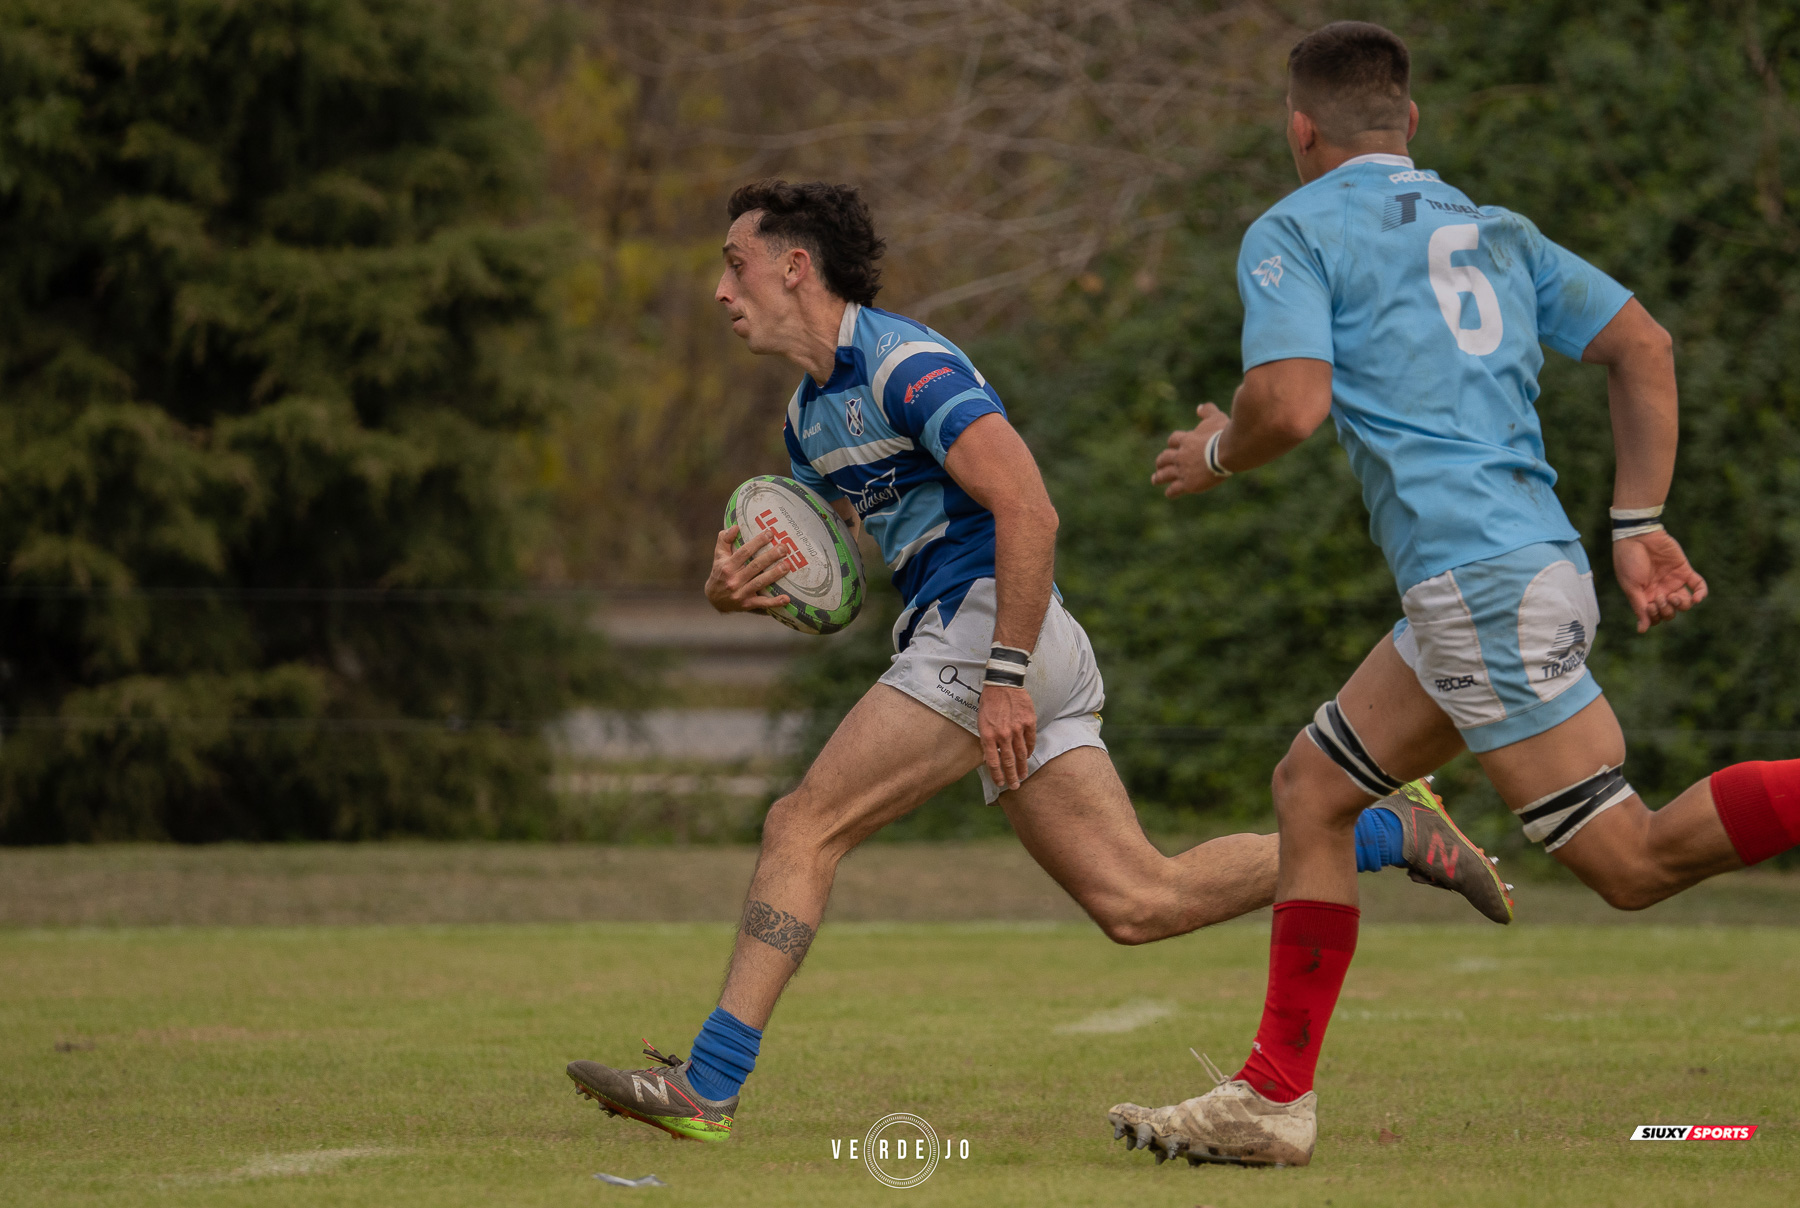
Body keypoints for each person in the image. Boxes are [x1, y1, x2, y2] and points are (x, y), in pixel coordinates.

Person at [564, 178, 1510, 1143]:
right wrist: (745, 590)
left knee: (801, 826)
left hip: (990, 632)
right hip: (995, 641)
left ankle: (709, 1086)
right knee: (1141, 901)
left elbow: (1030, 509)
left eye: (736, 264)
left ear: (795, 266)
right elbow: (837, 584)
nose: (722, 290)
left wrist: (1005, 676)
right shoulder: (808, 420)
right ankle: (1392, 835)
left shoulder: (907, 365)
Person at [1108, 20, 1800, 1170]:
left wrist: (1215, 452)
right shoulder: (1495, 228)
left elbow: (1288, 404)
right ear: (1410, 123)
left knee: (1629, 863)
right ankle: (1273, 1095)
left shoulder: (1294, 228)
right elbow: (1645, 345)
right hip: (1518, 572)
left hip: (1481, 591)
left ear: (1300, 127)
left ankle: (1276, 1093)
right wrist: (1637, 523)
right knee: (1313, 787)